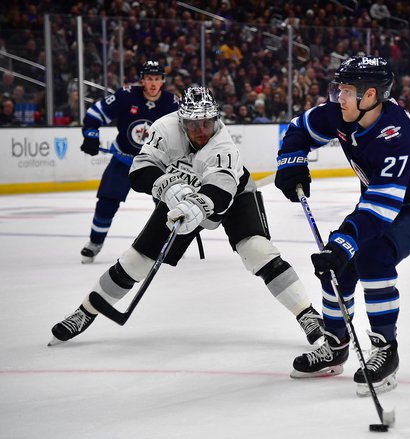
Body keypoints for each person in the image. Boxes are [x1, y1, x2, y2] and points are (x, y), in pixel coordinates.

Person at [49, 86, 323, 347]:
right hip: (179, 194)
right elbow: (140, 170)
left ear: (216, 118)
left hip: (233, 195)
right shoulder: (164, 129)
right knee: (135, 261)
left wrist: (199, 205)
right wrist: (168, 187)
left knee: (258, 251)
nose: (202, 130)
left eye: (207, 122)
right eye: (194, 124)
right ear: (181, 121)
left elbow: (221, 190)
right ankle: (85, 311)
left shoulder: (222, 145)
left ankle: (307, 314)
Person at [275, 56, 410, 395]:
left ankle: (386, 349)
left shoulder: (397, 138)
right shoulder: (341, 113)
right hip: (381, 199)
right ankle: (337, 344)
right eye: (339, 88)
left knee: (372, 256)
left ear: (370, 96)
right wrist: (291, 162)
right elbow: (299, 129)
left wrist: (345, 244)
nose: (339, 96)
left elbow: (381, 209)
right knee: (337, 265)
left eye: (347, 90)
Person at [78, 60, 179, 263]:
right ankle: (95, 242)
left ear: (162, 81)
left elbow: (187, 132)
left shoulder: (172, 103)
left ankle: (168, 243)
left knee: (166, 206)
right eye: (149, 79)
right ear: (142, 80)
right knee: (107, 201)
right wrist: (90, 135)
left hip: (155, 164)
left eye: (157, 79)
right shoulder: (126, 96)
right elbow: (94, 113)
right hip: (124, 159)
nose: (152, 83)